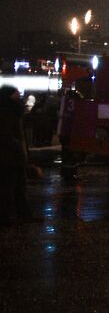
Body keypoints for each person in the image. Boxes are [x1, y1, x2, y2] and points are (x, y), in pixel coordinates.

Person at [1, 85, 41, 224]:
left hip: (15, 157)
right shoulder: (7, 112)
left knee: (18, 188)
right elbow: (7, 136)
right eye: (16, 94)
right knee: (9, 188)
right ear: (10, 96)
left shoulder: (14, 112)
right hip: (8, 158)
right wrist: (18, 148)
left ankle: (21, 215)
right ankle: (8, 217)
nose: (19, 96)